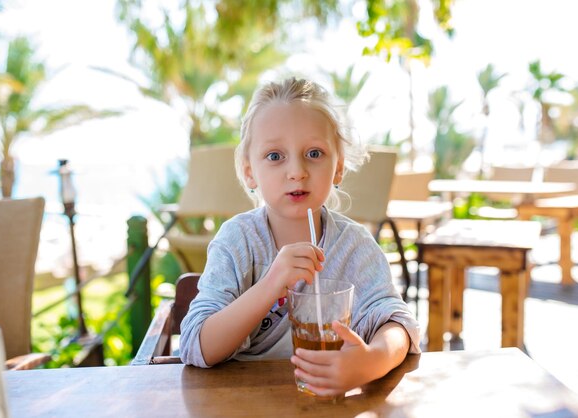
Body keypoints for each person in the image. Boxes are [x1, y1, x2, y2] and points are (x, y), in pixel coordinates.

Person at [180, 77, 420, 397]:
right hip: (245, 403)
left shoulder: (356, 247)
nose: (297, 171)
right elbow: (197, 345)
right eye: (275, 156)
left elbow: (399, 325)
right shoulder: (237, 242)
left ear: (339, 169)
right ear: (250, 171)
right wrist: (271, 283)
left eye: (314, 153)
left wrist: (369, 362)